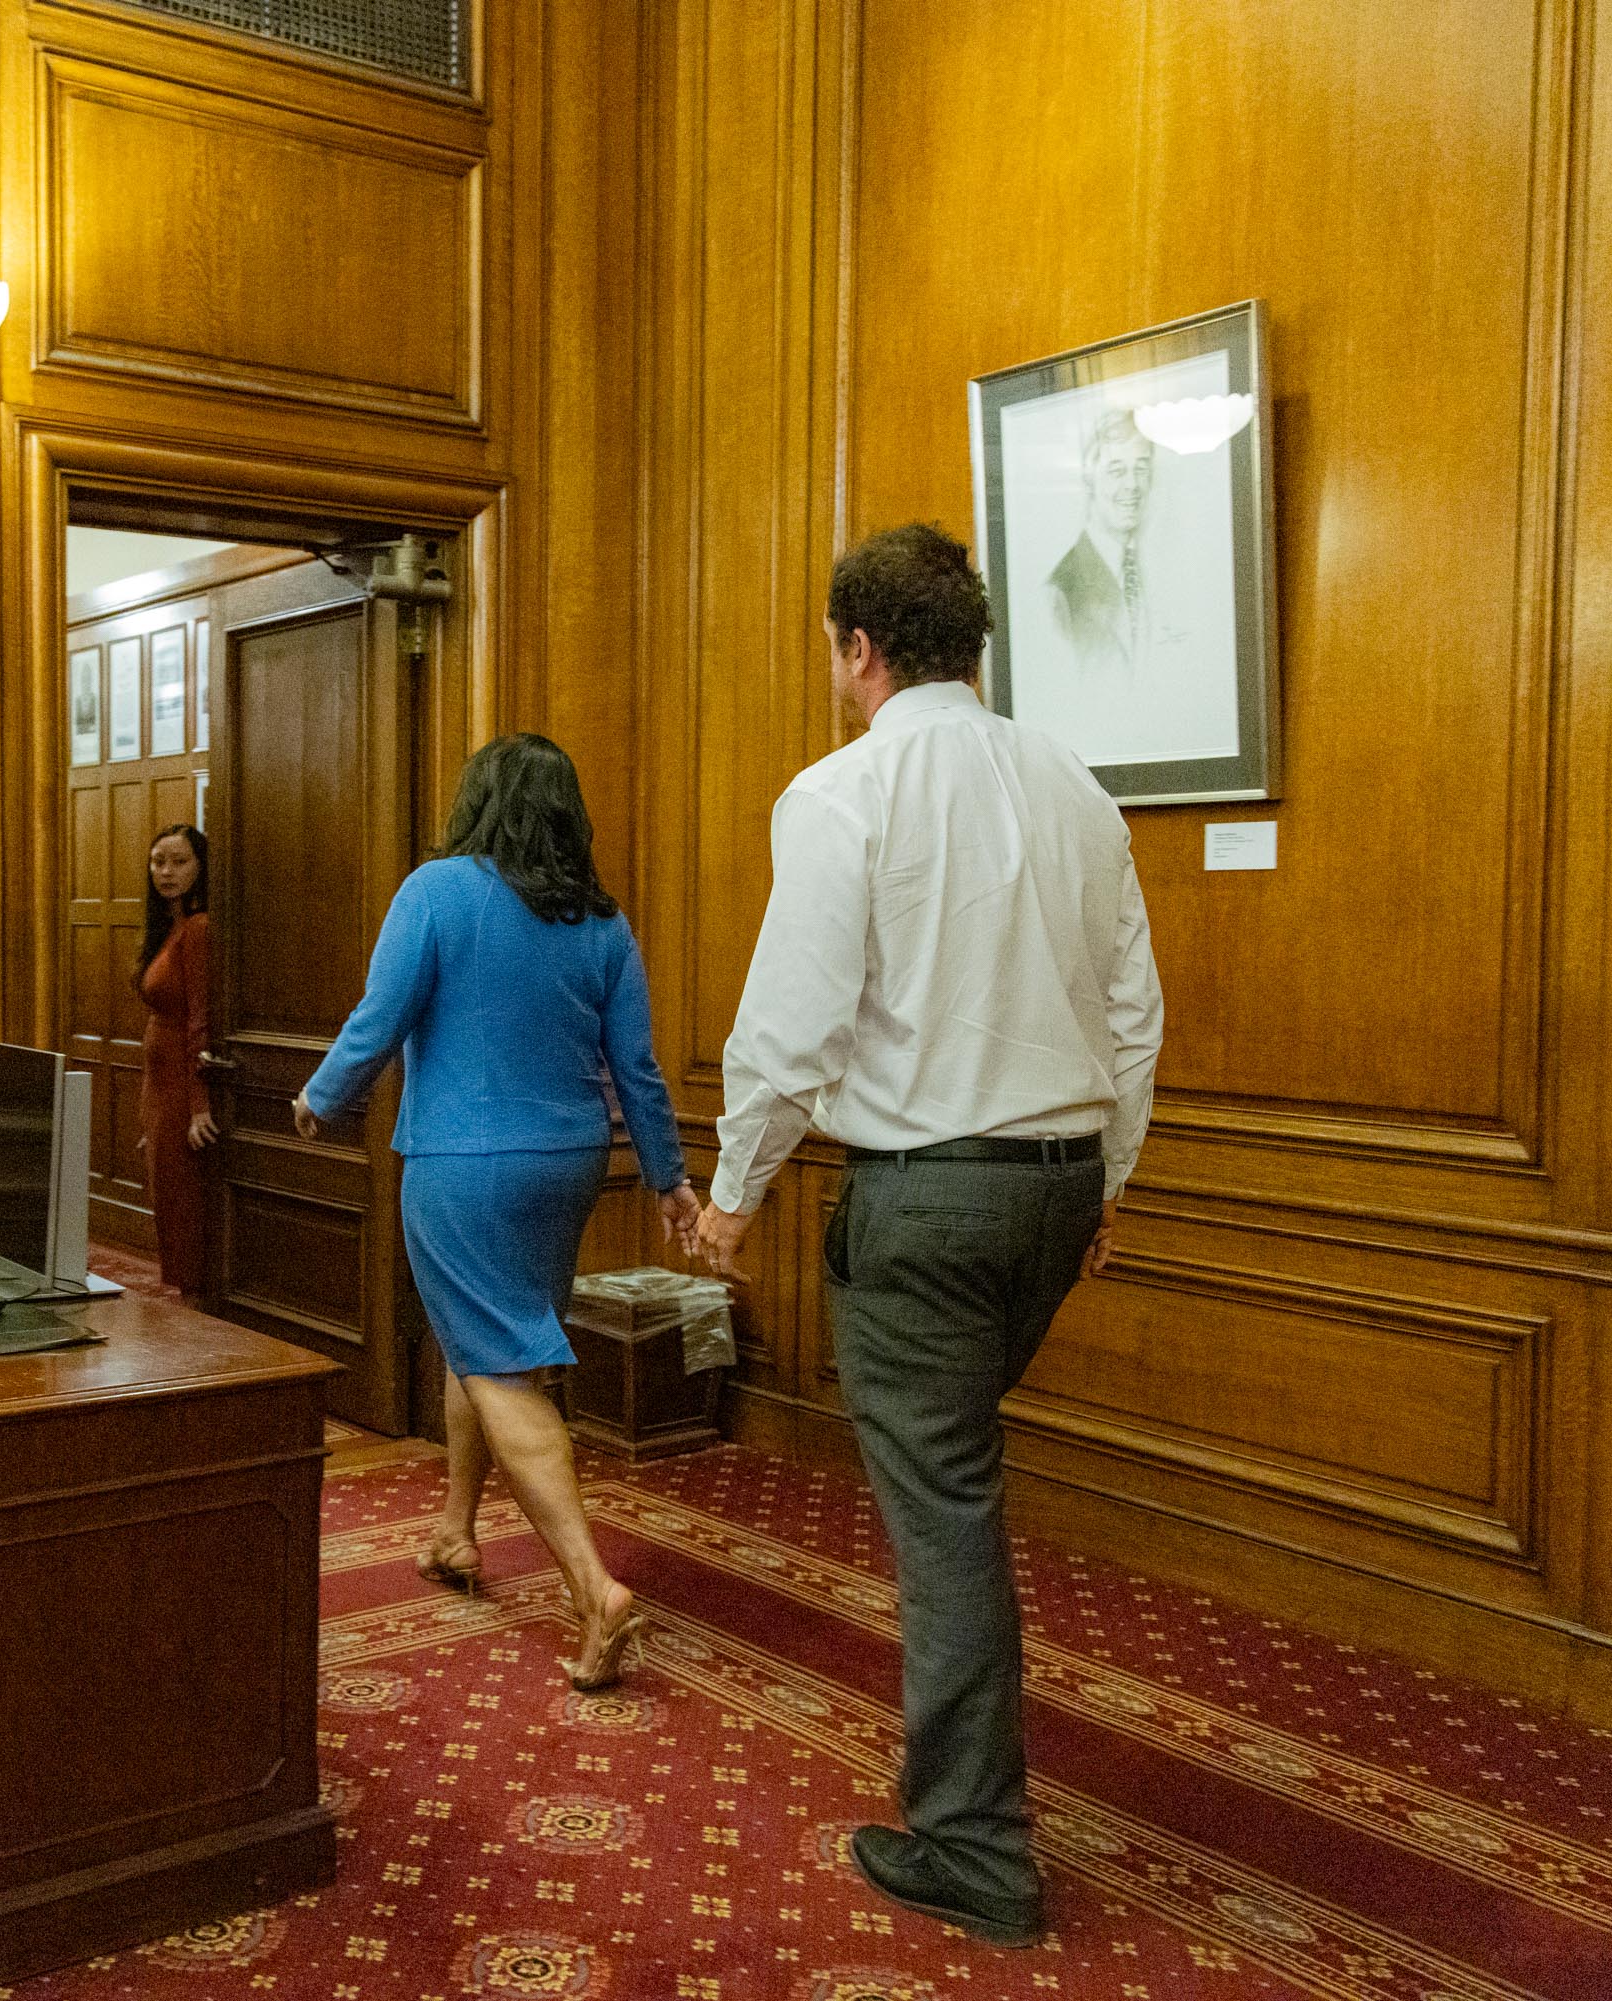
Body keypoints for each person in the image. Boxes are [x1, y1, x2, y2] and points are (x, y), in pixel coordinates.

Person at [693, 523, 1163, 1949]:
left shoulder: (843, 793)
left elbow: (792, 1025)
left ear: (859, 648)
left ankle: (974, 1845)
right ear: (976, 642)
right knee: (958, 1476)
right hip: (1058, 1187)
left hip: (927, 1198)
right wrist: (1110, 1182)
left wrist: (732, 1191)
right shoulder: (1077, 788)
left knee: (946, 1511)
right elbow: (1132, 1012)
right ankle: (971, 1808)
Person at [292, 734, 701, 1690]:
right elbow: (635, 1069)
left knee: (503, 1365)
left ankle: (593, 1587)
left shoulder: (434, 890)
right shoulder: (602, 923)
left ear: (476, 803)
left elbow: (378, 1016)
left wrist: (322, 1097)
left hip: (460, 1162)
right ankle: (456, 1530)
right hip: (566, 1164)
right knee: (484, 1343)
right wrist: (668, 1177)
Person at [137, 824, 220, 1305]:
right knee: (167, 1202)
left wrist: (199, 1103)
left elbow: (200, 1022)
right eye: (157, 862)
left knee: (187, 1210)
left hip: (183, 1084)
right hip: (160, 1085)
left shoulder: (200, 927)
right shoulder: (170, 926)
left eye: (178, 862)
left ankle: (200, 1313)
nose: (165, 872)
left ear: (201, 866)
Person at [1045, 407, 1156, 677]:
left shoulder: (1159, 573)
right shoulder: (1059, 593)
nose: (1132, 485)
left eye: (1140, 469)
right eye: (1117, 471)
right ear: (1089, 476)